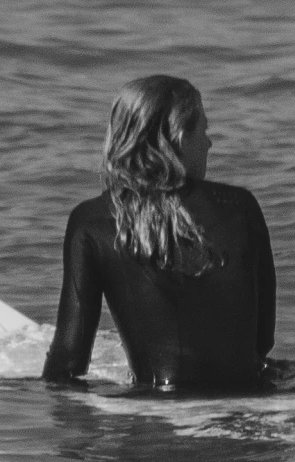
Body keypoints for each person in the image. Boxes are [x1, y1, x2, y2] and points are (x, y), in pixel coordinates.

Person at [42, 75, 276, 393]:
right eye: (204, 131)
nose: (209, 143)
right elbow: (263, 340)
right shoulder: (241, 206)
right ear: (179, 137)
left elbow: (69, 363)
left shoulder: (90, 221)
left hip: (157, 415)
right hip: (246, 398)